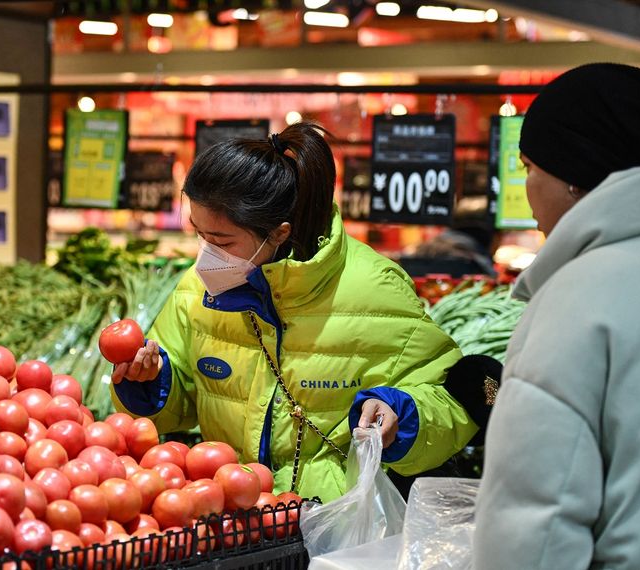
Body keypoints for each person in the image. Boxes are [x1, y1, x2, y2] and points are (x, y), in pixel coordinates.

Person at [110, 122, 477, 502]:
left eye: (220, 241)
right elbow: (183, 401)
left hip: (333, 535)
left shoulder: (377, 288)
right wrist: (148, 381)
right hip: (235, 526)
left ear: (280, 233)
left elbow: (455, 401)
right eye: (200, 235)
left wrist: (403, 416)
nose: (206, 255)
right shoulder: (197, 288)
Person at [474, 63, 640, 568]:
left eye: (530, 168)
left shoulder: (578, 300)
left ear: (576, 178)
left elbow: (538, 518)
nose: (528, 188)